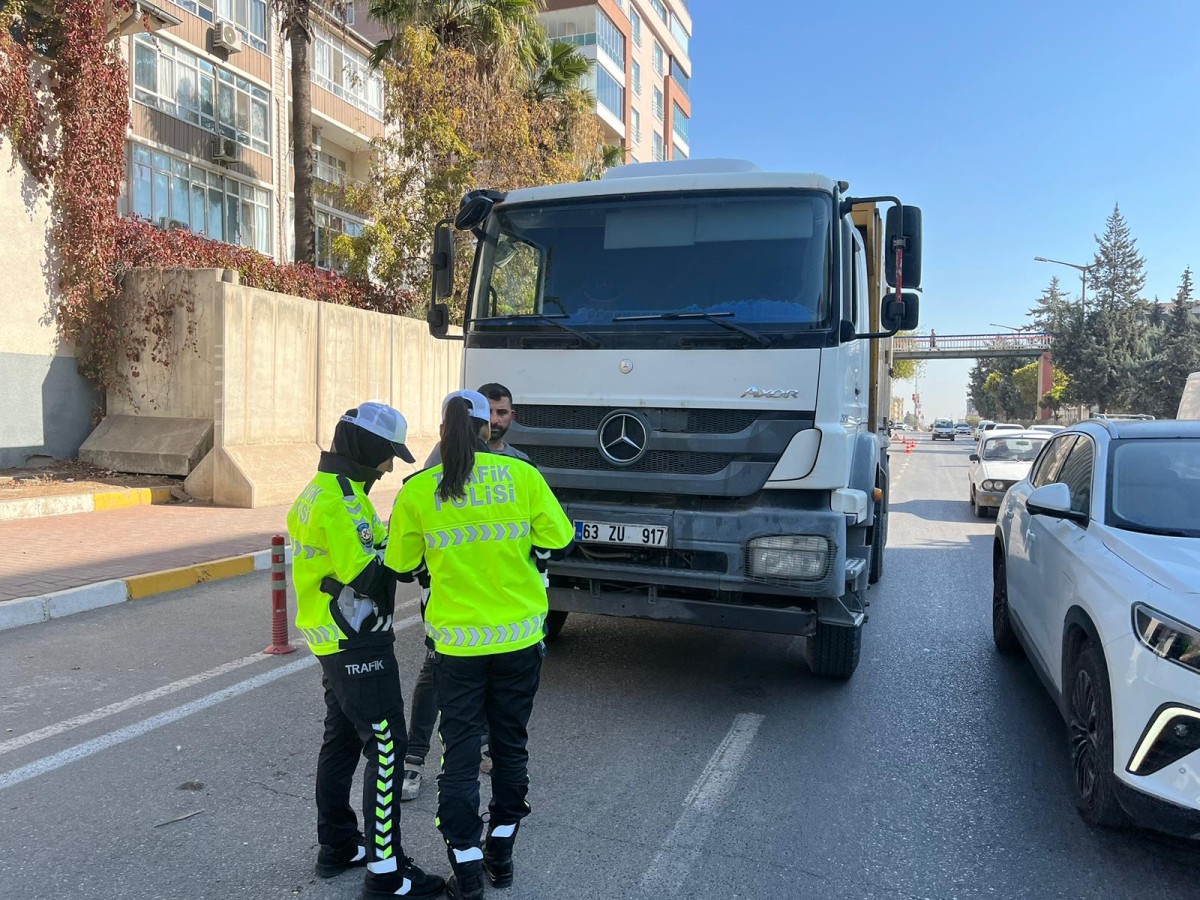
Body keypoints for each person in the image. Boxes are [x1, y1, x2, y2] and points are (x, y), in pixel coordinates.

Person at [386, 390, 573, 900]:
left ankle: (466, 873)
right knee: (511, 748)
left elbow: (401, 567)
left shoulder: (420, 490)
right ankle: (502, 855)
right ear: (487, 428)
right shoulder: (523, 476)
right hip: (519, 642)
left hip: (456, 648)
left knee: (460, 755)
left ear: (443, 432)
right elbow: (558, 539)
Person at [286, 402, 444, 900]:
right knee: (388, 746)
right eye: (387, 456)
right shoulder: (341, 501)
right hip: (356, 640)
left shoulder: (323, 491)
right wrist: (417, 540)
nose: (390, 468)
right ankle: (386, 870)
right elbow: (373, 573)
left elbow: (372, 546)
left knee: (343, 741)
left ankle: (338, 845)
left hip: (332, 637)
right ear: (370, 449)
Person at [402, 383, 533, 801]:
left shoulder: (521, 467)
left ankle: (478, 752)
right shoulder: (439, 466)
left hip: (501, 611)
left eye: (504, 413)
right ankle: (415, 759)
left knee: (482, 694)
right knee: (434, 679)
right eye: (491, 413)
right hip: (455, 611)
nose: (497, 421)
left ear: (512, 417)